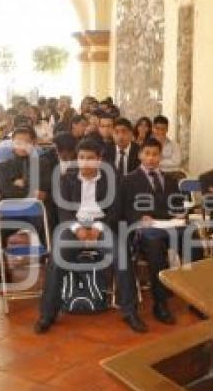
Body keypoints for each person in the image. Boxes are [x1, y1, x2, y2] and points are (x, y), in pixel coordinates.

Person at [36, 139, 138, 333]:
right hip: (73, 226)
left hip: (104, 227)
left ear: (99, 160)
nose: (85, 162)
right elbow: (63, 211)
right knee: (56, 259)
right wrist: (78, 229)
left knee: (122, 257)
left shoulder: (112, 180)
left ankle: (130, 312)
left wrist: (98, 228)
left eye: (90, 158)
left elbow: (115, 211)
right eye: (81, 158)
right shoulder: (66, 179)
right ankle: (47, 314)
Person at [120, 137, 188, 326]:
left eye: (155, 154)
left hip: (169, 225)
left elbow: (177, 206)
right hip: (145, 230)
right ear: (140, 155)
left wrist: (180, 213)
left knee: (194, 238)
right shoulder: (128, 180)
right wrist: (138, 217)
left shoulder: (171, 180)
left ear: (160, 157)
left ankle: (195, 296)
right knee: (154, 244)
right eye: (147, 153)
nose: (151, 158)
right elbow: (124, 208)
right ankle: (160, 303)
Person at [0, 126, 53, 294]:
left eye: (27, 142)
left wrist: (21, 184)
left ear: (34, 143)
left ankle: (53, 271)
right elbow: (6, 191)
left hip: (38, 211)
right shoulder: (3, 166)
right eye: (18, 142)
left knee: (50, 226)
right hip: (11, 212)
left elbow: (45, 189)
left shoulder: (44, 163)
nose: (22, 146)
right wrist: (30, 190)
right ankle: (2, 273)